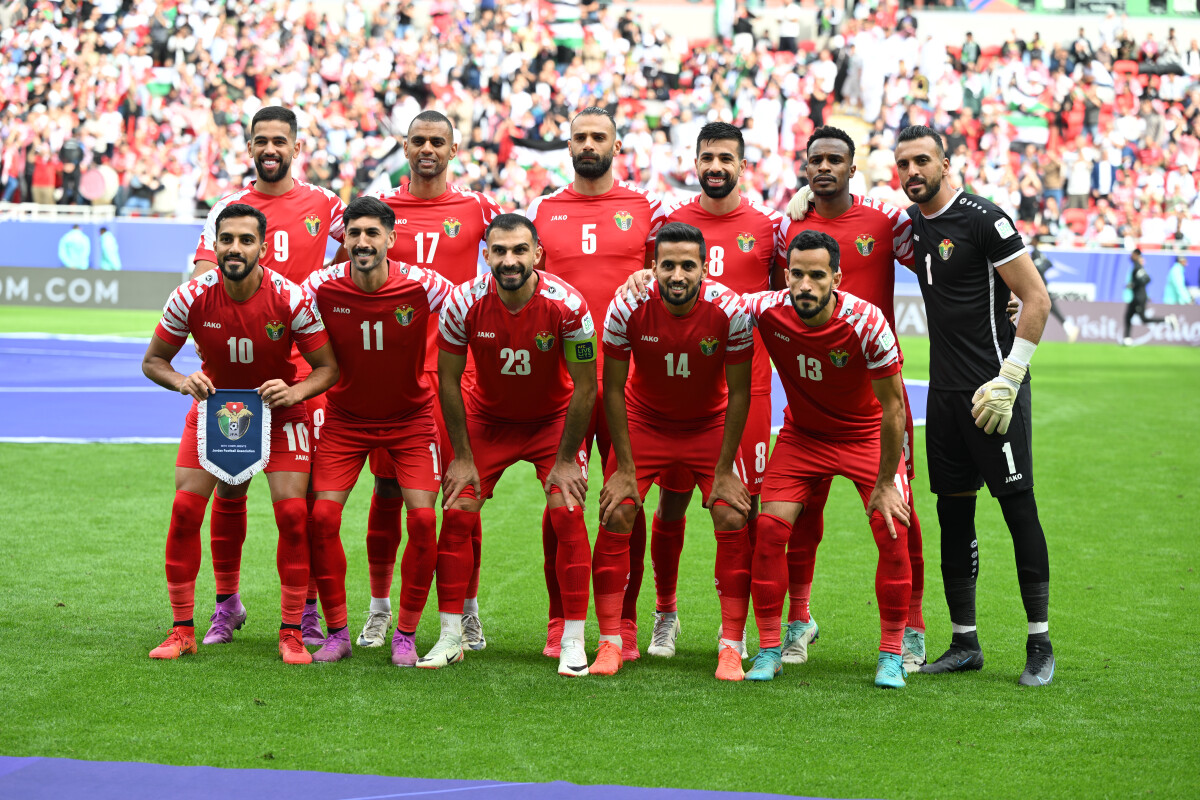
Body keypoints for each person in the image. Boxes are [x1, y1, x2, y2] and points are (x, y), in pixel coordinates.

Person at [139, 203, 338, 664]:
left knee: (292, 516)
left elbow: (328, 368)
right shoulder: (190, 296)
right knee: (186, 509)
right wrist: (183, 380)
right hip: (215, 410)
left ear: (262, 249)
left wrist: (296, 390)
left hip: (280, 413)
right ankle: (183, 628)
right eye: (226, 239)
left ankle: (290, 631)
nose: (235, 248)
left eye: (246, 240)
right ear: (216, 244)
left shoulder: (291, 297)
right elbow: (153, 362)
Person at [894, 125, 1056, 686]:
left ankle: (1039, 642)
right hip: (944, 398)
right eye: (903, 164)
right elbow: (858, 223)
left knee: (1018, 511)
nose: (912, 172)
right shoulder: (911, 225)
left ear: (945, 163)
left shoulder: (984, 217)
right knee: (952, 513)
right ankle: (965, 641)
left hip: (994, 393)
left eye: (922, 161)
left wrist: (1011, 377)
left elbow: (1036, 298)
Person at [342, 110, 501, 654]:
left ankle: (468, 611)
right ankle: (380, 609)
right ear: (404, 147)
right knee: (387, 490)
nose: (427, 149)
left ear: (453, 150)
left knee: (461, 494)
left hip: (459, 372)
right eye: (418, 141)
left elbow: (523, 253)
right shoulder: (380, 210)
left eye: (437, 141)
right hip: (396, 372)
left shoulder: (480, 208)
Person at [193, 106, 347, 648]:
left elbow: (358, 257)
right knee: (229, 489)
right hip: (236, 380)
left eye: (280, 140)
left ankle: (303, 610)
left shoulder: (326, 204)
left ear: (296, 146)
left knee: (298, 501)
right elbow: (199, 280)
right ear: (250, 147)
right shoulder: (229, 209)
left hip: (301, 374)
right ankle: (226, 604)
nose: (270, 149)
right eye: (261, 140)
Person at [420, 214, 597, 677]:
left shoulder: (569, 305)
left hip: (552, 423)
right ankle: (451, 636)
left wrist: (565, 462)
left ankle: (574, 641)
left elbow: (585, 386)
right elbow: (449, 380)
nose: (509, 260)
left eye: (520, 250)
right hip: (487, 419)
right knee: (457, 512)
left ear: (537, 253)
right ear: (486, 256)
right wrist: (460, 457)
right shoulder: (463, 302)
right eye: (499, 251)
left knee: (568, 510)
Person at [631, 122, 783, 660]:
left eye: (726, 157)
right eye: (706, 157)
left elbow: (792, 293)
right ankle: (666, 614)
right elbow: (644, 283)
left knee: (746, 507)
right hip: (676, 387)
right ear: (694, 162)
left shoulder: (770, 227)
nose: (715, 166)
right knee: (670, 502)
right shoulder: (670, 223)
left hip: (747, 387)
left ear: (743, 165)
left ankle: (752, 629)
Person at [778, 126, 927, 671]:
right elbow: (769, 289)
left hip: (879, 394)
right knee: (799, 513)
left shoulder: (885, 220)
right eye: (815, 159)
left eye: (834, 160)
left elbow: (941, 260)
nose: (824, 168)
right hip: (812, 394)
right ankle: (798, 620)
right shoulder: (788, 225)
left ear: (852, 166)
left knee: (898, 512)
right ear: (805, 165)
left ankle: (912, 626)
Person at [741, 230, 913, 688]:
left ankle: (892, 653)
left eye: (817, 275)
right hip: (804, 435)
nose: (805, 285)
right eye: (796, 274)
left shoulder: (867, 322)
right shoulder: (766, 309)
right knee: (770, 528)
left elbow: (894, 407)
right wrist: (642, 279)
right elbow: (712, 300)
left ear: (837, 277)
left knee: (892, 528)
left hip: (865, 435)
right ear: (786, 275)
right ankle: (770, 648)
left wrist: (885, 482)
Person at [525, 107, 667, 660]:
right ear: (568, 146)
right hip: (563, 381)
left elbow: (683, 261)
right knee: (561, 501)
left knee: (622, 496)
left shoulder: (646, 207)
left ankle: (625, 621)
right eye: (580, 137)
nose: (589, 145)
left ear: (617, 143)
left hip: (628, 379)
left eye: (598, 137)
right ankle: (561, 618)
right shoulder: (544, 208)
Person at [593, 222, 754, 680]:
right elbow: (614, 390)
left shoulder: (730, 310)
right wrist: (624, 468)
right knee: (618, 510)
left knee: (730, 512)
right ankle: (610, 641)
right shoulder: (626, 306)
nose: (677, 275)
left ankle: (731, 645)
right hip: (646, 422)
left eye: (688, 265)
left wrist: (725, 470)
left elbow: (739, 394)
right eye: (668, 265)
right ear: (654, 267)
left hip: (709, 423)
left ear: (705, 267)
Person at [301, 197, 454, 664]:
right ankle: (338, 632)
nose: (362, 241)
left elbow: (478, 306)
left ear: (391, 238)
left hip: (410, 422)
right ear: (343, 238)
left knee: (425, 520)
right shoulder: (320, 286)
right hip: (346, 421)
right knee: (322, 519)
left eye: (372, 233)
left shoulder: (426, 286)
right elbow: (278, 312)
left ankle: (405, 633)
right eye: (354, 233)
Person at [1030, 243, 1079, 342]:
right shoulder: (1035, 255)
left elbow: (1048, 264)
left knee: (1044, 308)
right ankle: (1068, 328)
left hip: (1041, 287)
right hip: (1039, 287)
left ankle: (1069, 328)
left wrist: (1037, 266)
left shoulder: (1036, 254)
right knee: (1047, 308)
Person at [1122, 248, 1172, 345]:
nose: (1130, 256)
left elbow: (1147, 279)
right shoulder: (1136, 266)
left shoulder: (1137, 267)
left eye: (1132, 254)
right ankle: (1127, 339)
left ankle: (1167, 320)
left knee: (1143, 319)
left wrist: (1133, 284)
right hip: (1136, 297)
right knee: (1128, 316)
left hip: (1139, 298)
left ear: (1136, 255)